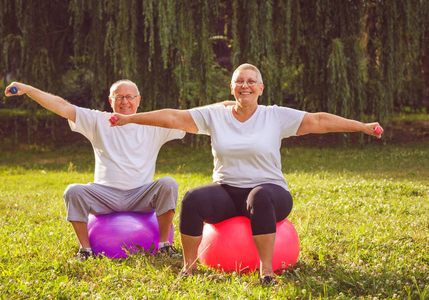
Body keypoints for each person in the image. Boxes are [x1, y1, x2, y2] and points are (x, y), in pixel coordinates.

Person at [108, 63, 383, 284]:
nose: (245, 85)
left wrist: (361, 126)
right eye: (240, 81)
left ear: (261, 88)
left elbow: (319, 120)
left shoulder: (275, 116)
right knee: (192, 199)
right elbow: (173, 117)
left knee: (259, 196)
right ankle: (188, 268)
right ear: (232, 88)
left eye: (251, 81)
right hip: (227, 191)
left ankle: (266, 272)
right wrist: (131, 118)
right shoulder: (216, 115)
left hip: (271, 192)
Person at [4, 80, 187, 260]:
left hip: (141, 195)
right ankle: (85, 250)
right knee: (73, 191)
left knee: (168, 183)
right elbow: (62, 107)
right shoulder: (98, 120)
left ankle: (164, 247)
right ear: (110, 101)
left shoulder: (152, 124)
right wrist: (28, 89)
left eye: (130, 97)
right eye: (119, 97)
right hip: (105, 196)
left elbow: (185, 119)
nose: (125, 101)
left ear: (138, 100)